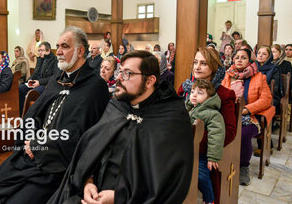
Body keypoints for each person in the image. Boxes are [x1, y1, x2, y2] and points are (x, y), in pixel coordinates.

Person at [0, 27, 110, 204]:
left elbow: (84, 135)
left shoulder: (95, 87)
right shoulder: (56, 80)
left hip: (56, 167)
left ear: (81, 51)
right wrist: (30, 141)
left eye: (65, 47)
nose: (58, 51)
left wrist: (39, 146)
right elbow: (33, 114)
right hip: (29, 154)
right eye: (58, 46)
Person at [48, 50, 193, 204]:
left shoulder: (171, 117)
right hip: (93, 193)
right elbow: (92, 150)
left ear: (150, 81)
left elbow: (167, 184)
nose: (118, 78)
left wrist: (118, 198)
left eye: (127, 74)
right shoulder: (117, 106)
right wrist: (88, 182)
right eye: (119, 71)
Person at [178, 47, 236, 203]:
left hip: (201, 153)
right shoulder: (185, 88)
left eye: (203, 63)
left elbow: (229, 132)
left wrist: (195, 142)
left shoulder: (223, 94)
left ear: (214, 67)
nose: (197, 67)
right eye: (195, 62)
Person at [222, 48, 275, 185]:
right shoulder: (227, 75)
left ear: (250, 60)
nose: (239, 60)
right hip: (230, 114)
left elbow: (266, 100)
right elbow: (221, 95)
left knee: (243, 134)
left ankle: (243, 166)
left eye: (243, 57)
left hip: (250, 117)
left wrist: (247, 109)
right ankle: (222, 161)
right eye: (237, 57)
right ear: (233, 59)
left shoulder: (259, 77)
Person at [186, 79, 225, 204]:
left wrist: (212, 156)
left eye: (200, 93)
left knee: (201, 176)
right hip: (185, 152)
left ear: (209, 98)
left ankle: (209, 199)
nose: (194, 95)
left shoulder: (212, 114)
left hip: (201, 156)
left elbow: (216, 135)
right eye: (192, 92)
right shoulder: (188, 109)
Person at [19, 41, 60, 115]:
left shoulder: (55, 60)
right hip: (36, 82)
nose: (40, 52)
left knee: (32, 93)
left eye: (42, 50)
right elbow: (35, 73)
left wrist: (40, 82)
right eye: (39, 50)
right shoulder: (40, 59)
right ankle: (21, 114)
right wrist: (29, 80)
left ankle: (30, 116)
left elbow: (54, 77)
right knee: (21, 88)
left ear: (48, 50)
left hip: (45, 85)